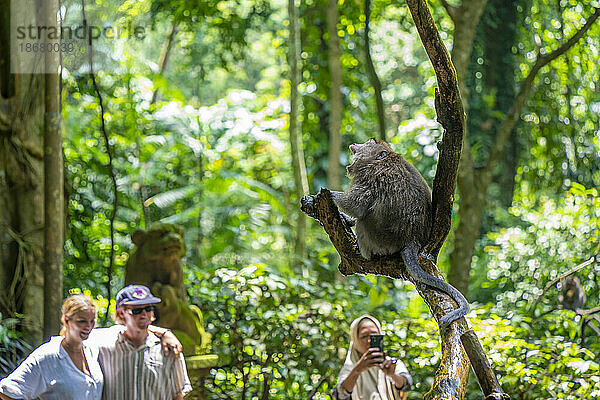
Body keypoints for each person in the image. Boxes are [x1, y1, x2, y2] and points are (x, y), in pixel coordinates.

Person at [87, 284, 190, 400]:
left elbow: (178, 395)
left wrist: (166, 333)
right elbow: (76, 335)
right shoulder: (101, 344)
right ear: (121, 313)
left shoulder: (170, 349)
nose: (144, 314)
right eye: (137, 310)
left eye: (148, 309)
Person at [0, 294, 103, 400]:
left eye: (92, 321)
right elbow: (8, 391)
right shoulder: (49, 356)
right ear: (67, 321)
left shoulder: (91, 350)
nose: (89, 327)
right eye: (82, 321)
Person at [334, 315, 412, 400]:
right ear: (355, 340)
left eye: (374, 335)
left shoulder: (392, 363)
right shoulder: (350, 366)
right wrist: (357, 370)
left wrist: (392, 375)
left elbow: (407, 384)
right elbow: (340, 395)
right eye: (364, 336)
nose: (369, 341)